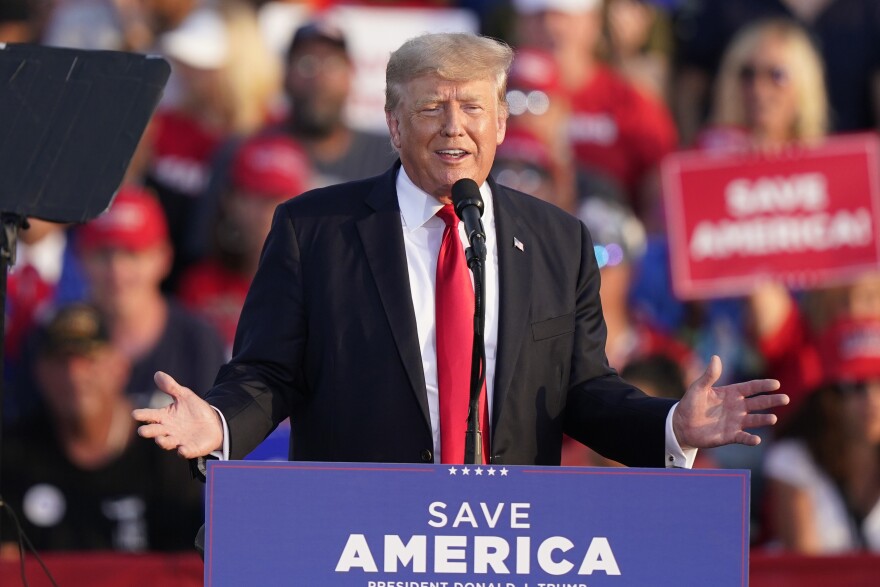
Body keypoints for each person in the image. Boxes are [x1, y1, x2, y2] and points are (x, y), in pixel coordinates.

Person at [133, 32, 786, 474]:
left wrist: (672, 423)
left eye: (473, 107)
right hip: (361, 538)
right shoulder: (315, 230)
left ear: (501, 121)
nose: (454, 127)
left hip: (506, 545)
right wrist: (217, 420)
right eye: (432, 108)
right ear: (393, 123)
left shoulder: (561, 241)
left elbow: (584, 392)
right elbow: (268, 375)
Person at [0, 303, 203, 554]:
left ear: (120, 367)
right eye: (61, 361)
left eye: (90, 359)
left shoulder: (164, 450)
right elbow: (7, 562)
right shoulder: (13, 454)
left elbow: (187, 565)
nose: (74, 375)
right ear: (39, 371)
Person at [76, 186, 226, 409]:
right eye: (103, 253)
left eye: (133, 254)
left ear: (163, 258)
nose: (117, 271)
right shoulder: (59, 339)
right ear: (81, 258)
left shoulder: (199, 342)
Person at [763, 316, 880, 552]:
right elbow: (807, 568)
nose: (871, 400)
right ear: (828, 396)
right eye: (854, 386)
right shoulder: (793, 458)